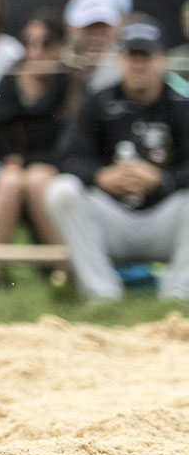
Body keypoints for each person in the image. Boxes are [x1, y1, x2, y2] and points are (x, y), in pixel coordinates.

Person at [44, 17, 189, 304]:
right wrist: (101, 176)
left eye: (146, 57)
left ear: (162, 61)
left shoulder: (181, 105)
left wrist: (163, 179)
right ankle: (102, 294)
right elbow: (66, 157)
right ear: (120, 60)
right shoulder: (99, 102)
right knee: (61, 191)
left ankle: (178, 294)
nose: (139, 65)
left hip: (165, 219)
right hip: (113, 217)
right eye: (132, 56)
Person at [0, 15, 74, 291]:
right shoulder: (9, 80)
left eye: (45, 43)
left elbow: (73, 144)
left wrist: (25, 162)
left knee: (36, 178)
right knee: (10, 180)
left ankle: (64, 270)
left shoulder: (72, 84)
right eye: (29, 43)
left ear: (60, 46)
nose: (36, 51)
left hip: (59, 169)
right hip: (15, 168)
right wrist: (14, 161)